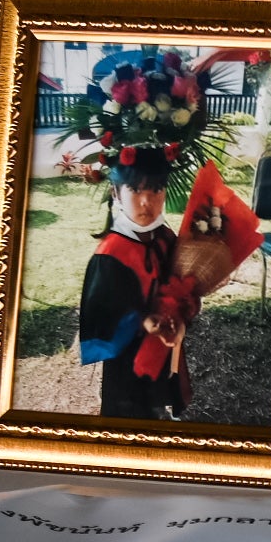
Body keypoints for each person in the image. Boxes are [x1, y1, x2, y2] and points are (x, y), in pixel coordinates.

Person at [78, 152, 210, 419]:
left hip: (166, 350)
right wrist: (143, 323)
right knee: (130, 418)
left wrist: (186, 307)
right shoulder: (110, 255)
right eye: (135, 189)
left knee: (160, 405)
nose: (146, 201)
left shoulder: (165, 238)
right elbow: (99, 317)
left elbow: (182, 284)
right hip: (128, 364)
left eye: (156, 189)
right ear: (116, 192)